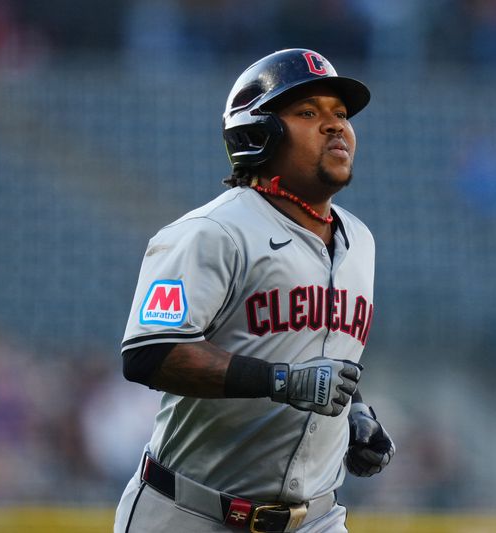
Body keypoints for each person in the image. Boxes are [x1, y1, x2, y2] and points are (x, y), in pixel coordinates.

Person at [114, 48, 395, 533]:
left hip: (316, 518)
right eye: (308, 113)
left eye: (341, 114)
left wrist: (355, 411)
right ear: (257, 132)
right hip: (192, 512)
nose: (335, 126)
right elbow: (149, 352)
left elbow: (322, 346)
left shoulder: (360, 239)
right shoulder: (212, 231)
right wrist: (282, 381)